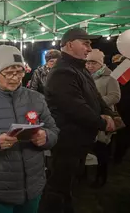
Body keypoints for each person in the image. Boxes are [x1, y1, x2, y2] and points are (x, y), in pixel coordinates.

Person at [0, 45, 59, 213]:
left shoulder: (36, 99)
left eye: (19, 71)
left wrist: (46, 137)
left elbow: (53, 130)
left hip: (33, 186)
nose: (15, 78)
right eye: (8, 72)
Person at [39, 28, 115, 213]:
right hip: (67, 143)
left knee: (68, 186)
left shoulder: (79, 69)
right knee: (58, 188)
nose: (90, 48)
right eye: (86, 43)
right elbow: (75, 107)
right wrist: (102, 122)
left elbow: (96, 98)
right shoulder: (62, 72)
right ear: (70, 44)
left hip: (79, 142)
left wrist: (109, 114)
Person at [86, 49, 121, 187]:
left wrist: (98, 103)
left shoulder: (110, 77)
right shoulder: (86, 77)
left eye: (93, 63)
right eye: (88, 62)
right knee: (89, 146)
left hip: (104, 117)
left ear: (101, 64)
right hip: (89, 116)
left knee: (101, 149)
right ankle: (85, 173)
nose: (89, 66)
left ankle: (101, 177)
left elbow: (115, 96)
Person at [111, 54, 130, 164]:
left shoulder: (122, 68)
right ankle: (118, 156)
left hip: (120, 105)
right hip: (122, 105)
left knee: (122, 133)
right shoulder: (123, 69)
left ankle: (116, 156)